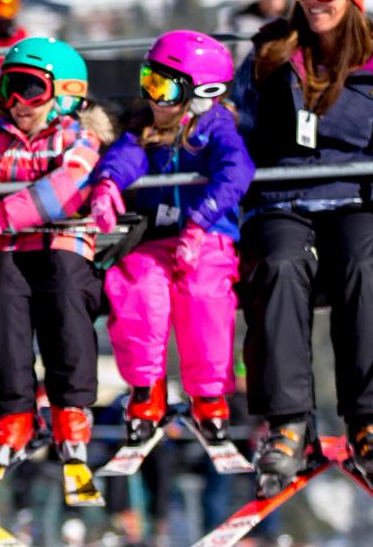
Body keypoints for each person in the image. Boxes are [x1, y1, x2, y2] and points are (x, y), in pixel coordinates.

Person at [233, 0, 373, 495]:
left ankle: (369, 418)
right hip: (282, 199)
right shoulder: (270, 54)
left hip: (358, 198)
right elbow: (240, 132)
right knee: (277, 263)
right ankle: (288, 423)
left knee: (365, 262)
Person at [0, 36, 112, 474]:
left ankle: (70, 408)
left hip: (63, 241)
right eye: (8, 88)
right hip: (12, 249)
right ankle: (13, 412)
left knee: (66, 296)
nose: (17, 102)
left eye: (30, 89)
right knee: (1, 303)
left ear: (64, 95)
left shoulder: (79, 136)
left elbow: (70, 186)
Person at [87, 30, 255, 447]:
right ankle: (146, 390)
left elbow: (237, 171)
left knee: (204, 296)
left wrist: (201, 223)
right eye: (148, 81)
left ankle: (208, 394)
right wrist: (108, 185)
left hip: (208, 237)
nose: (151, 97)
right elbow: (126, 156)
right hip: (155, 239)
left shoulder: (217, 128)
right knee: (137, 290)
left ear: (201, 93)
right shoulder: (147, 125)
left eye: (162, 87)